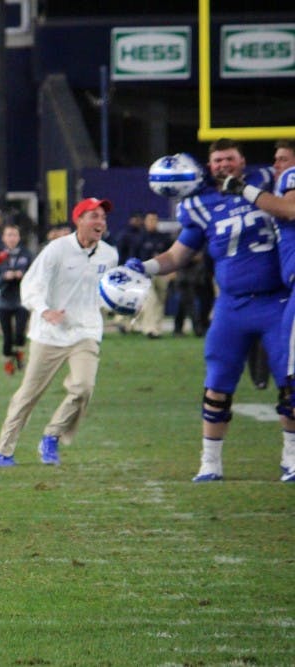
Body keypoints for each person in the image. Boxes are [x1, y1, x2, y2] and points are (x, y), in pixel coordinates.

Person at [127, 138, 292, 482]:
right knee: (217, 383)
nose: (222, 165)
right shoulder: (199, 204)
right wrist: (145, 267)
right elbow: (177, 255)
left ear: (242, 160)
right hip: (231, 305)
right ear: (208, 166)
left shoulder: (267, 182)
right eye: (216, 161)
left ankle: (290, 458)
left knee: (290, 385)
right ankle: (210, 462)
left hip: (275, 302)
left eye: (228, 158)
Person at [0, 197, 118, 467]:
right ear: (79, 220)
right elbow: (31, 284)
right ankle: (4, 449)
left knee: (83, 388)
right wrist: (44, 309)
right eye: (94, 216)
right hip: (49, 333)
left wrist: (123, 302)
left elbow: (106, 292)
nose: (100, 222)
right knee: (28, 395)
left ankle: (52, 435)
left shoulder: (110, 254)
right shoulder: (56, 250)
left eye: (103, 217)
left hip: (86, 331)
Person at [219, 139, 295, 481]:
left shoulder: (290, 177)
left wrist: (243, 189)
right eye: (276, 160)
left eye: (283, 159)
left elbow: (289, 209)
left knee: (292, 379)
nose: (278, 165)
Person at [0, 222, 34, 375]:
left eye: (14, 235)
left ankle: (20, 353)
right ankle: (8, 362)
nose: (12, 238)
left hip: (21, 299)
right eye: (9, 235)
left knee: (20, 332)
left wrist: (23, 275)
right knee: (7, 335)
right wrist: (3, 277)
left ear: (19, 237)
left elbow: (35, 274)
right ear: (3, 237)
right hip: (3, 300)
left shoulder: (26, 255)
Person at [131, 211, 174, 338]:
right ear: (145, 221)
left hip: (162, 273)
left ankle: (157, 328)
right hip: (145, 274)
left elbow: (171, 256)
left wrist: (172, 271)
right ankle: (149, 329)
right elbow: (133, 257)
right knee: (151, 300)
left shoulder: (163, 238)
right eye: (150, 220)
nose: (152, 222)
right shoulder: (140, 238)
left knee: (161, 300)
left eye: (155, 220)